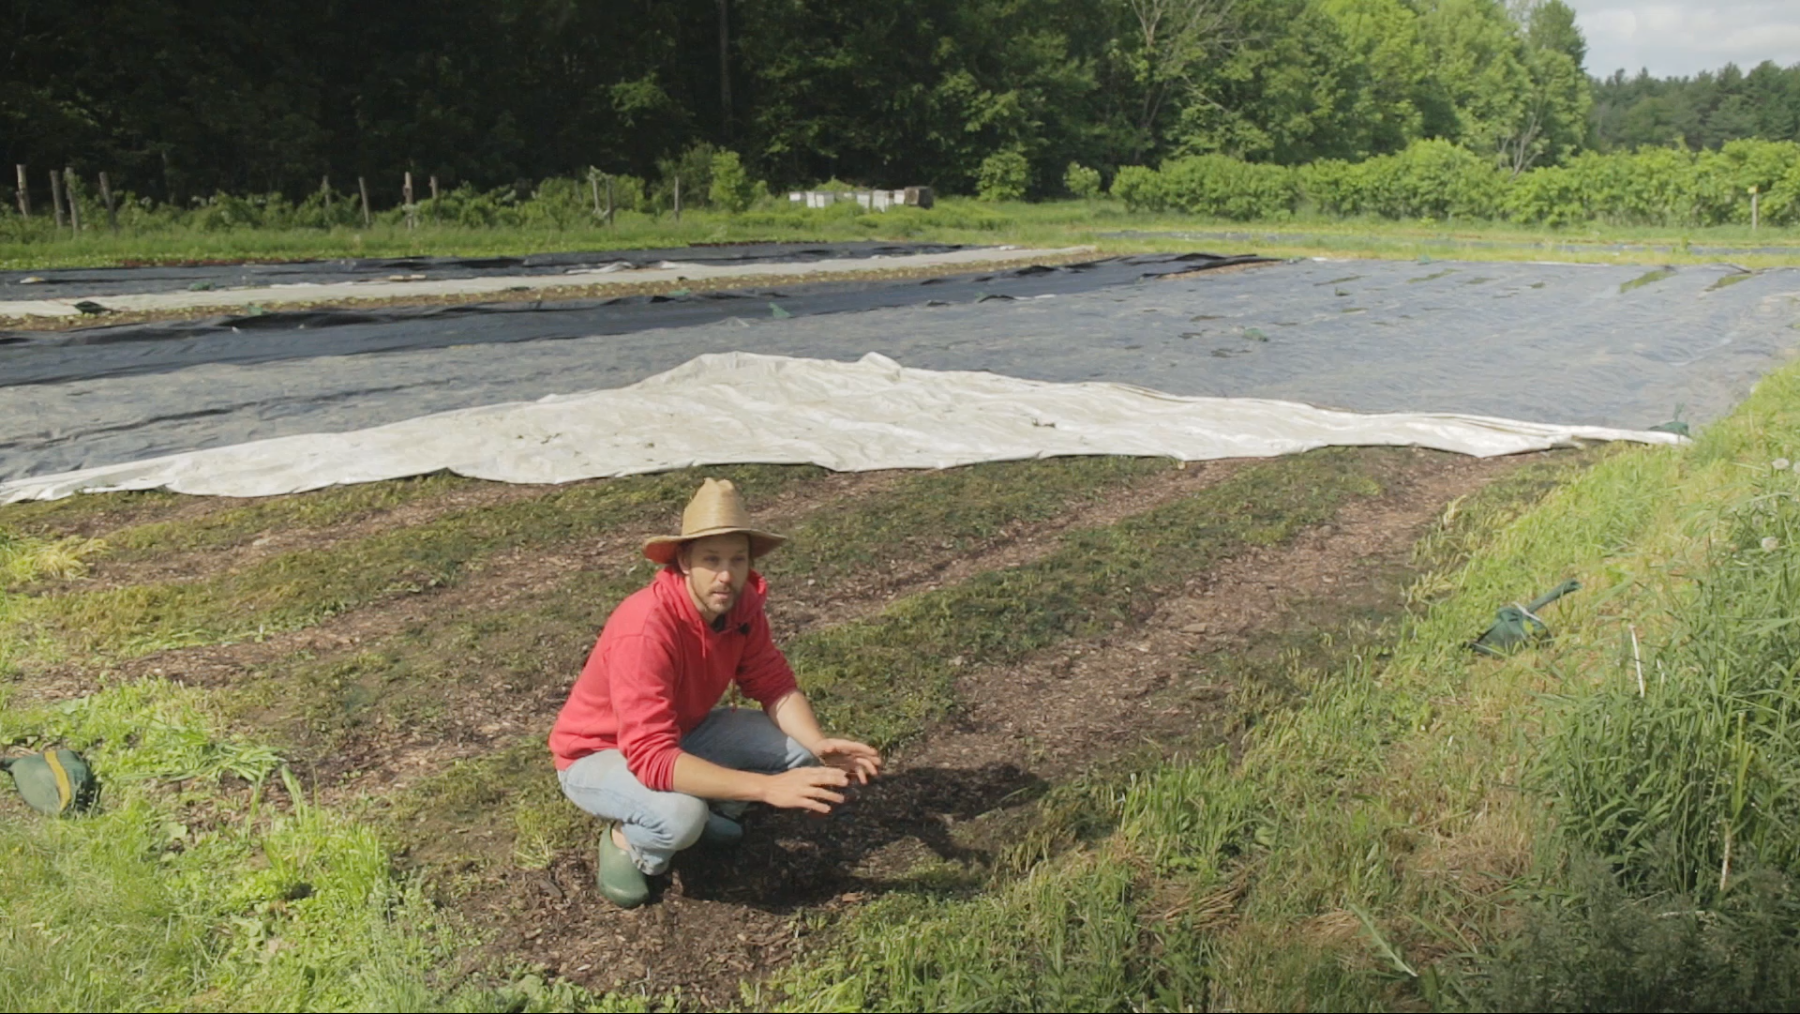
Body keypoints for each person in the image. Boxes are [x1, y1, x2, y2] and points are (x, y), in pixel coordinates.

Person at [548, 477, 882, 908]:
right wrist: (766, 788)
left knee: (796, 746)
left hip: (682, 731)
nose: (726, 575)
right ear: (684, 561)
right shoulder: (646, 629)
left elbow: (773, 683)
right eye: (711, 560)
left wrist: (819, 742)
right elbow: (650, 757)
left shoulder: (740, 608)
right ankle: (629, 842)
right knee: (678, 818)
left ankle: (711, 807)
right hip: (598, 754)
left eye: (737, 560)